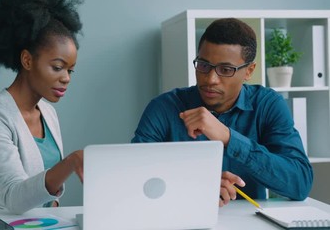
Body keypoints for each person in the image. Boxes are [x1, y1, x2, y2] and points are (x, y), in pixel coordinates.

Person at [131, 18, 313, 206]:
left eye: (226, 69)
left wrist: (228, 137)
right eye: (203, 65)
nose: (211, 79)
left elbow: (300, 184)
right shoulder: (163, 108)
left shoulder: (268, 105)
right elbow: (132, 176)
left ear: (249, 71)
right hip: (180, 218)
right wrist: (194, 185)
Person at [0, 0, 84, 214]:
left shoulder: (48, 113)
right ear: (27, 60)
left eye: (70, 70)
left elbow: (51, 187)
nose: (66, 78)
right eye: (58, 67)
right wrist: (71, 161)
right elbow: (14, 198)